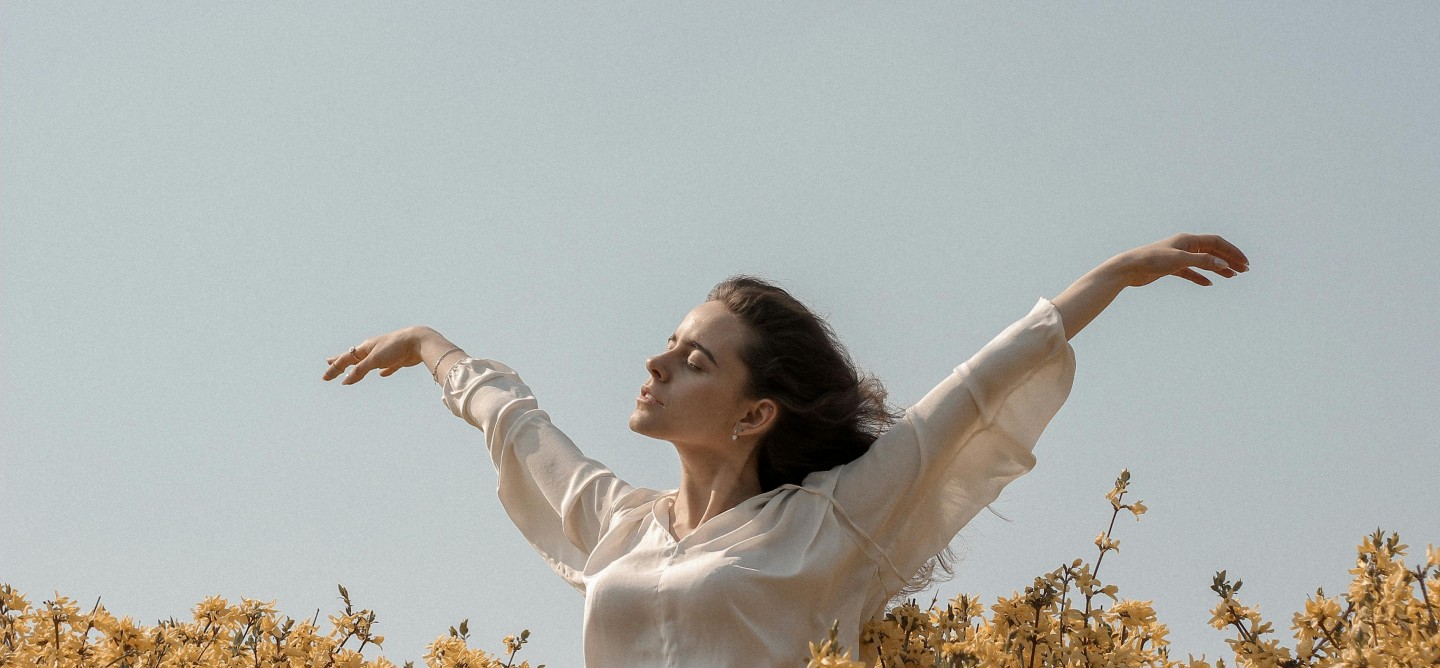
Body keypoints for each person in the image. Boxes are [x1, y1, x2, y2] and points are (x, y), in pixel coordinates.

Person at [323, 233, 1248, 667]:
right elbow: (519, 428)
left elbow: (968, 396)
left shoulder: (825, 522)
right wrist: (431, 345)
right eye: (669, 344)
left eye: (694, 360)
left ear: (754, 414)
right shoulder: (621, 527)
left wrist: (1113, 277)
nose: (655, 362)